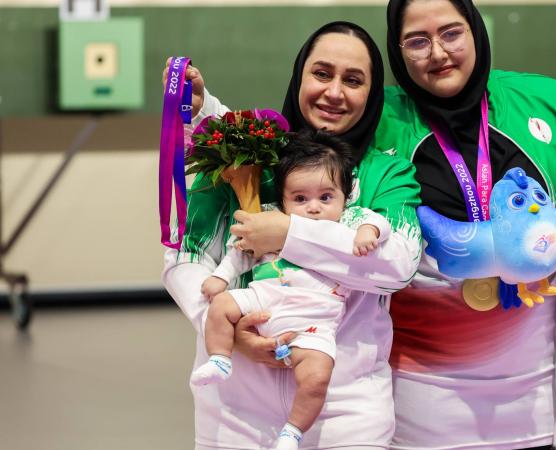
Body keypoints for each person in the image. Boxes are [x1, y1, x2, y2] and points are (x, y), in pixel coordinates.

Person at [371, 0, 556, 449]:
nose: (438, 53)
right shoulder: (379, 120)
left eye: (451, 33)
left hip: (542, 396)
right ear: (397, 49)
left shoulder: (544, 101)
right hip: (420, 400)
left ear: (476, 31)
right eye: (417, 41)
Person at [162, 22, 422, 450]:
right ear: (300, 76)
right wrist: (226, 327)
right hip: (234, 413)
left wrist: (288, 233)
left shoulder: (387, 173)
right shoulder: (246, 156)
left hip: (346, 413)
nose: (335, 92)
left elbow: (397, 267)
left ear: (372, 96)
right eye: (321, 73)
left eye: (353, 80)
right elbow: (185, 256)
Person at [191, 131, 392, 450]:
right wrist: (220, 277)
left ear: (346, 195)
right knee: (221, 306)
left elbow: (380, 223)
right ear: (283, 200)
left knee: (317, 376)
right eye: (300, 199)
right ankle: (220, 359)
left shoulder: (351, 220)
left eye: (326, 197)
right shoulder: (271, 220)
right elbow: (241, 250)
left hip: (313, 321)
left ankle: (293, 431)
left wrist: (368, 233)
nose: (313, 208)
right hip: (264, 298)